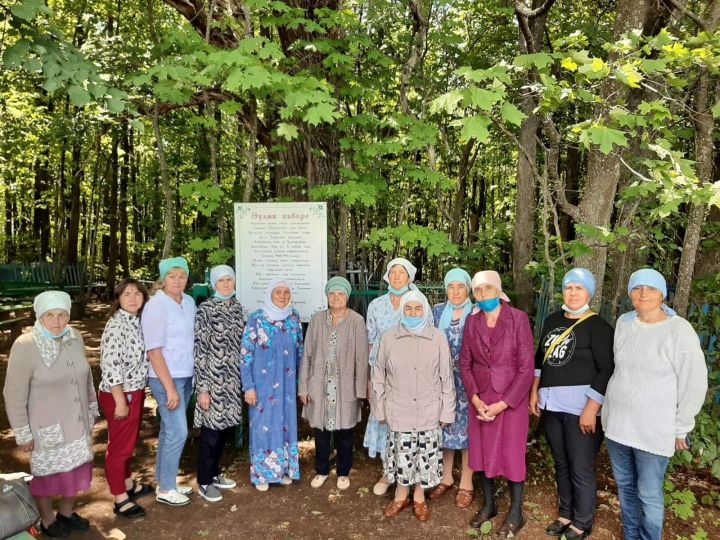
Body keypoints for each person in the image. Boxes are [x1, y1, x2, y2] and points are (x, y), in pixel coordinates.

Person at [602, 268, 707, 540]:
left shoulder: (679, 330)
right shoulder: (624, 323)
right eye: (637, 288)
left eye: (651, 288)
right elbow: (619, 369)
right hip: (618, 426)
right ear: (630, 294)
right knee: (625, 485)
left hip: (653, 430)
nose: (644, 293)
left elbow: (693, 382)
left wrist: (681, 427)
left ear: (662, 294)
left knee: (648, 493)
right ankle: (631, 534)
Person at [4, 291, 97, 537]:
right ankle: (47, 520)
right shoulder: (25, 345)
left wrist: (91, 408)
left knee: (76, 471)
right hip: (46, 426)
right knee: (47, 477)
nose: (57, 321)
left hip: (77, 422)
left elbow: (86, 377)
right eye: (50, 315)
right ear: (40, 316)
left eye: (62, 314)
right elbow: (13, 394)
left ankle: (66, 514)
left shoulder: (74, 337)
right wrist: (23, 433)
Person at [530, 268, 615, 539]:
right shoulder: (552, 319)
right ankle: (565, 513)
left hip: (582, 409)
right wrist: (534, 392)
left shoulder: (599, 327)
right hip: (552, 405)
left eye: (579, 288)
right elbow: (539, 361)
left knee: (580, 465)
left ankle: (583, 521)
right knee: (561, 462)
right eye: (569, 288)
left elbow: (606, 369)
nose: (574, 293)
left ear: (589, 293)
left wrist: (592, 409)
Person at [460, 270, 534, 537]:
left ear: (498, 291)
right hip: (481, 398)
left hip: (510, 399)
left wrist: (505, 403)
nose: (482, 295)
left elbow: (527, 368)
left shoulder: (518, 319)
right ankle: (490, 505)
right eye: (478, 291)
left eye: (487, 290)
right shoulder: (472, 322)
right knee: (481, 452)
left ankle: (516, 512)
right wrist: (475, 397)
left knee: (512, 453)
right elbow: (465, 363)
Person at [371, 290, 455, 522]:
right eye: (408, 308)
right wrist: (380, 408)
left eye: (418, 308)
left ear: (425, 310)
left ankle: (419, 497)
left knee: (424, 456)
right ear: (402, 311)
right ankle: (400, 495)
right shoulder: (389, 337)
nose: (413, 313)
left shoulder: (437, 337)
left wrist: (447, 410)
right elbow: (378, 375)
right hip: (399, 408)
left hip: (429, 409)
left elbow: (446, 376)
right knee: (401, 454)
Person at [364, 257, 432, 496]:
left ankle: (413, 476)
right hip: (383, 374)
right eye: (392, 272)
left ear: (410, 277)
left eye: (401, 272)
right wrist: (371, 377)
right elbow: (371, 342)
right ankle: (387, 472)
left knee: (411, 425)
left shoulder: (418, 302)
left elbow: (429, 339)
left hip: (413, 376)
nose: (396, 276)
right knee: (386, 422)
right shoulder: (376, 305)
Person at [299, 276, 369, 491]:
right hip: (319, 385)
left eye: (340, 294)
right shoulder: (317, 319)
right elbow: (308, 355)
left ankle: (343, 471)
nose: (336, 297)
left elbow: (361, 357)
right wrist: (304, 387)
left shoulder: (356, 320)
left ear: (347, 297)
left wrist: (360, 390)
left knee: (345, 432)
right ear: (327, 296)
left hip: (345, 385)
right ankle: (321, 470)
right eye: (332, 294)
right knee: (320, 431)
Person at [141, 256, 196, 506]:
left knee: (168, 431)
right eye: (172, 276)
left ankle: (164, 480)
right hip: (166, 378)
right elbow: (153, 351)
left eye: (181, 276)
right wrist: (169, 387)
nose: (177, 280)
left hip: (185, 375)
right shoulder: (156, 305)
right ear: (163, 279)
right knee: (178, 432)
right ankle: (166, 488)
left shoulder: (190, 302)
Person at [240, 279, 304, 491]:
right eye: (278, 292)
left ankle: (283, 470)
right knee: (262, 427)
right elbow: (246, 354)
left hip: (287, 386)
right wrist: (248, 386)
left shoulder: (293, 318)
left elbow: (300, 353)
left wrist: (299, 385)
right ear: (270, 294)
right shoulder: (257, 319)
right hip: (262, 386)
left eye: (287, 292)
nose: (283, 296)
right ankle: (262, 474)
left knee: (285, 426)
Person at [99, 279, 152, 520]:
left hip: (135, 390)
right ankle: (120, 498)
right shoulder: (116, 325)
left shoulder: (137, 321)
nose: (133, 298)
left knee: (127, 444)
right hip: (119, 393)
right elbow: (110, 366)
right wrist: (120, 400)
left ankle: (128, 483)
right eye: (126, 294)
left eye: (137, 294)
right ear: (118, 298)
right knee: (119, 448)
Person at [193, 265, 248, 502]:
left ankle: (215, 473)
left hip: (232, 380)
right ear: (214, 284)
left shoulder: (237, 308)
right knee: (211, 432)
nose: (226, 284)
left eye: (230, 280)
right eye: (221, 280)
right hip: (212, 380)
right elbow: (200, 349)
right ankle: (204, 481)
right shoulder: (205, 310)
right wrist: (203, 389)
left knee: (224, 430)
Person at [429, 268, 475, 508]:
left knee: (467, 431)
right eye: (451, 286)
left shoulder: (476, 312)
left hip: (469, 380)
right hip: (442, 380)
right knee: (445, 427)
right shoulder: (436, 312)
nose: (456, 292)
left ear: (468, 289)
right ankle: (446, 477)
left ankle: (467, 482)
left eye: (460, 286)